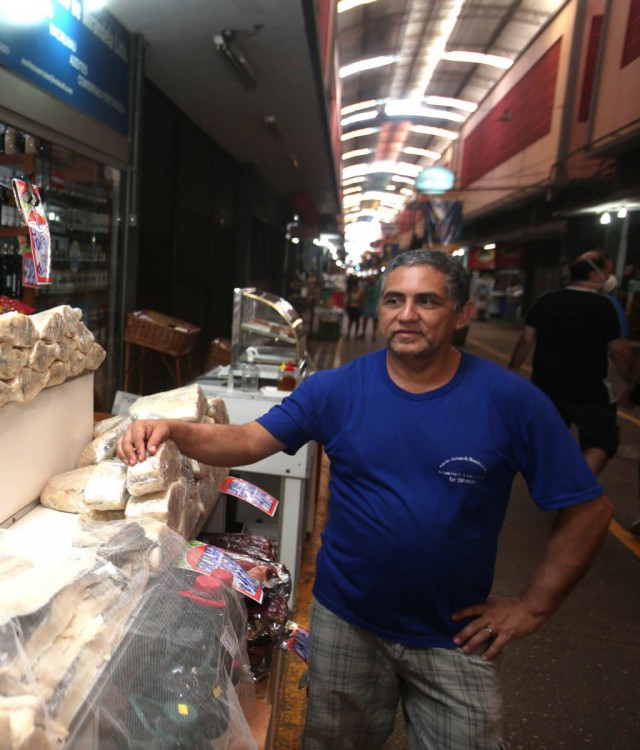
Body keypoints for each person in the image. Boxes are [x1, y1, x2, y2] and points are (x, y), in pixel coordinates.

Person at [118, 249, 613, 749]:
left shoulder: (512, 402)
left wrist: (531, 608)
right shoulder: (336, 389)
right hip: (345, 623)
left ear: (463, 313)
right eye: (394, 300)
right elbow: (247, 440)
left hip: (454, 635)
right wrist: (173, 429)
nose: (407, 314)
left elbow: (588, 511)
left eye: (427, 301)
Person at [508, 249, 633, 475]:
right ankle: (580, 486)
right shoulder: (606, 306)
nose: (609, 277)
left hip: (546, 386)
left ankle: (554, 485)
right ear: (594, 275)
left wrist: (514, 369)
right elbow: (619, 351)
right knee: (601, 441)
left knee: (549, 440)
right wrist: (630, 385)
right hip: (591, 390)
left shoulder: (545, 301)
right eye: (608, 272)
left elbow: (526, 339)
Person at [359, 274, 380, 339]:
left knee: (375, 320)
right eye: (369, 280)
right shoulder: (367, 287)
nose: (370, 281)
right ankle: (363, 332)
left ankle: (374, 334)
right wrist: (362, 304)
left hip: (375, 305)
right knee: (365, 319)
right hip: (367, 305)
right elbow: (363, 295)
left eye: (371, 280)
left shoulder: (378, 287)